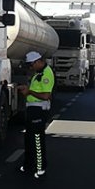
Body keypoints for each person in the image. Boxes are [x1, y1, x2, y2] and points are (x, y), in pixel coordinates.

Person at [17, 51, 54, 179]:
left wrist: (29, 92)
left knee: (37, 139)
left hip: (39, 110)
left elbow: (46, 95)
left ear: (38, 62)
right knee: (29, 139)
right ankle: (28, 165)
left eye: (31, 65)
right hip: (33, 109)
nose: (30, 68)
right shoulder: (38, 73)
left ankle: (40, 167)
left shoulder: (46, 73)